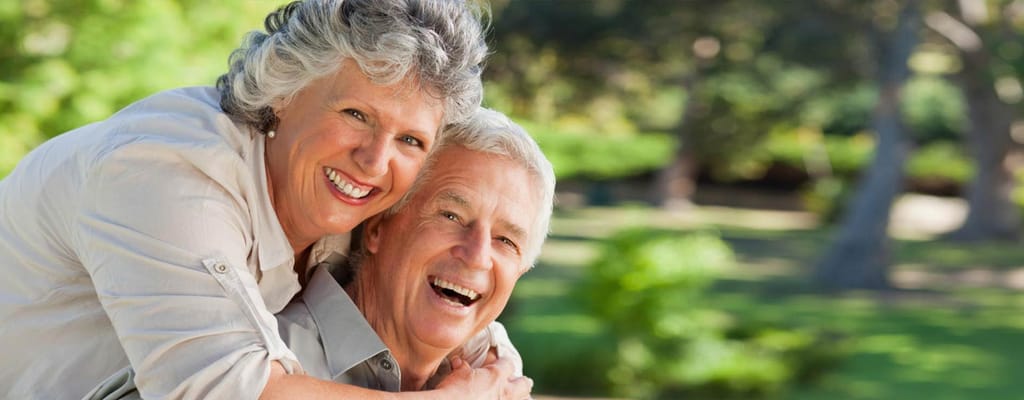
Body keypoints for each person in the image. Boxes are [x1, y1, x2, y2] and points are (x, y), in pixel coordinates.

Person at [0, 1, 524, 398]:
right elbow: (221, 390)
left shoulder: (344, 200)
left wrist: (492, 361)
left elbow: (428, 285)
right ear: (283, 91)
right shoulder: (165, 174)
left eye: (410, 140)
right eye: (355, 115)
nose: (374, 161)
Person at [86, 107, 552, 400]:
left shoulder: (490, 379)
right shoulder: (241, 366)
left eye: (506, 242)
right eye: (450, 216)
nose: (476, 256)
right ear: (379, 226)